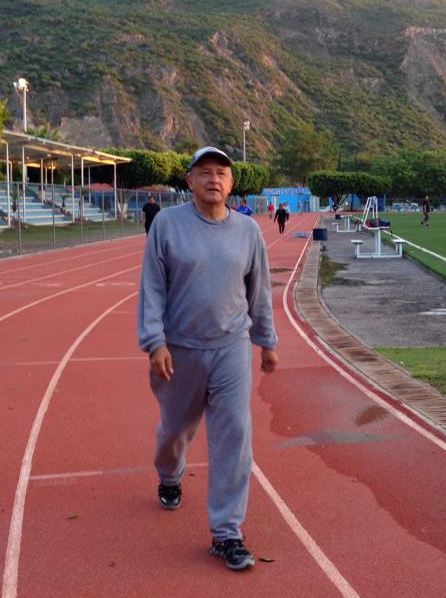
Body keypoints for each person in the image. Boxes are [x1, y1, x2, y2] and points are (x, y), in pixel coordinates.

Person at [137, 146, 277, 572]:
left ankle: (226, 532)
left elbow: (259, 290)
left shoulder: (248, 231)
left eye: (221, 173)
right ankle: (169, 475)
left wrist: (266, 341)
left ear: (231, 183)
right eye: (205, 172)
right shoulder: (167, 224)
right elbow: (152, 287)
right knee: (174, 432)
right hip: (179, 349)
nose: (214, 179)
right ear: (190, 181)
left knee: (234, 436)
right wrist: (154, 341)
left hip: (231, 346)